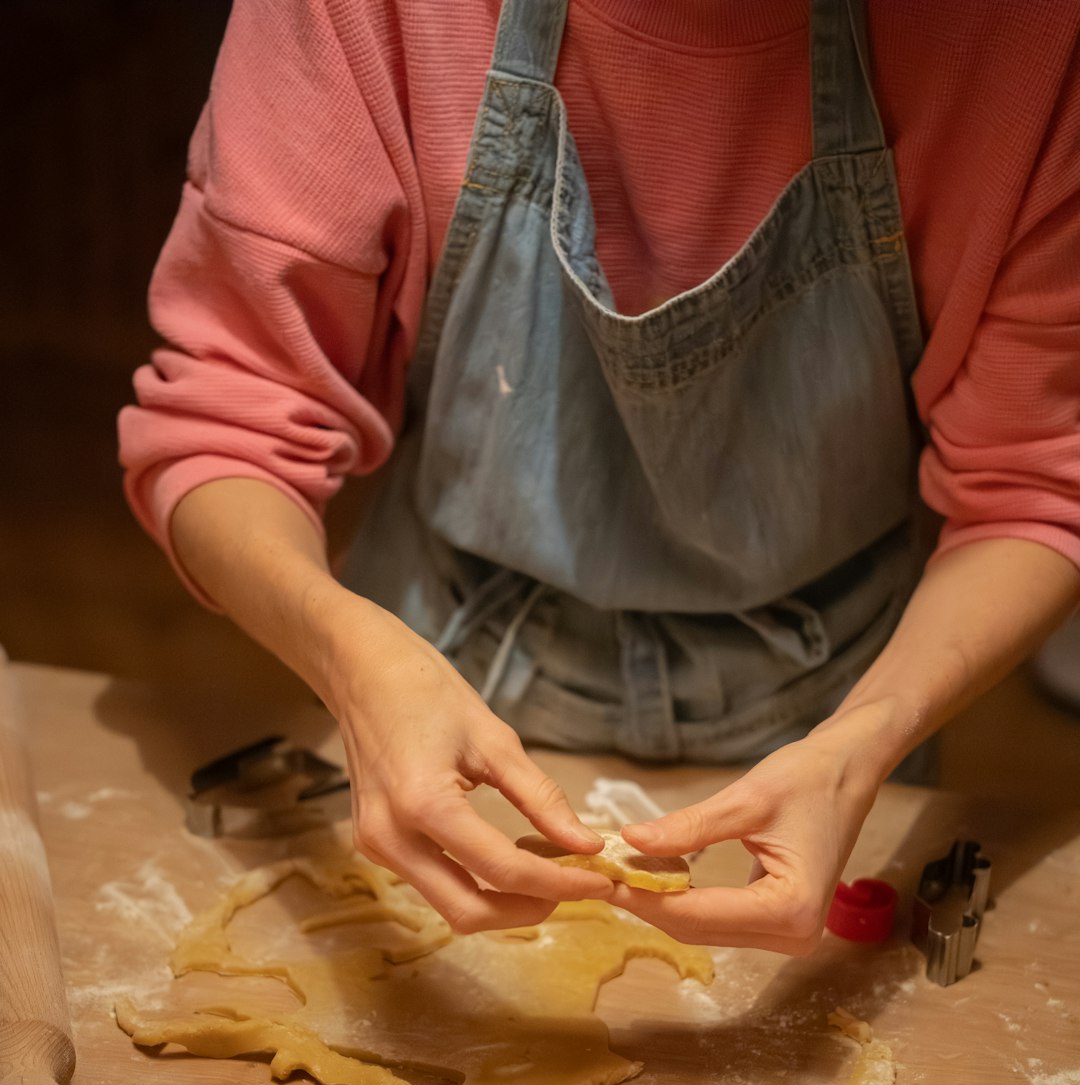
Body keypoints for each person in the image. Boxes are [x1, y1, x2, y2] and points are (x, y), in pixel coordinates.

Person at [119, 0, 1080, 952]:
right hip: (432, 689)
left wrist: (864, 739)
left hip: (846, 716)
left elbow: (1037, 485)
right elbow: (226, 419)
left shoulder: (1022, 39)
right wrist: (343, 654)